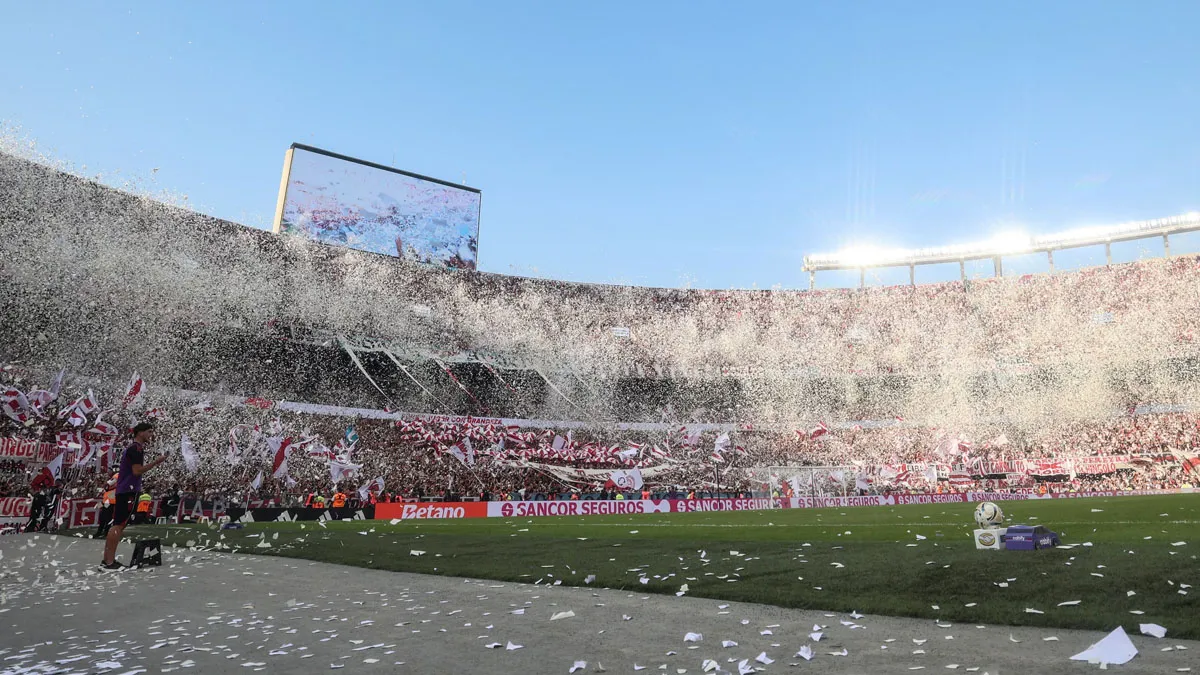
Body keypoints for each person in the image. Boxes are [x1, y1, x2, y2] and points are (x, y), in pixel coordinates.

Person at [102, 423, 165, 570]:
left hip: (126, 489)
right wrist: (156, 462)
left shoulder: (134, 448)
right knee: (118, 525)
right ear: (140, 433)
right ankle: (108, 562)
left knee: (119, 524)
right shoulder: (136, 449)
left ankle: (108, 560)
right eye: (149, 431)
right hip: (127, 490)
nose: (151, 435)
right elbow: (137, 471)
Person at [93, 473, 119, 539]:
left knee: (107, 518)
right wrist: (99, 505)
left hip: (109, 504)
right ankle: (101, 532)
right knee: (103, 518)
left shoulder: (113, 490)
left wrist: (100, 505)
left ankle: (105, 533)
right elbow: (105, 500)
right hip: (108, 504)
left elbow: (108, 501)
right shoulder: (110, 491)